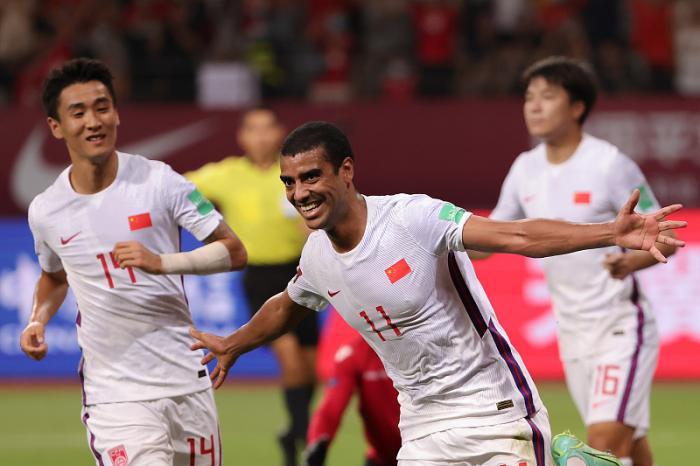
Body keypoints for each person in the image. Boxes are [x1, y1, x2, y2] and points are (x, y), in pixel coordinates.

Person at [189, 121, 685, 466]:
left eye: (311, 177)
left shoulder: (413, 217)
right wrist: (235, 343)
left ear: (346, 171)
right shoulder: (317, 254)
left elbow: (516, 236)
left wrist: (610, 232)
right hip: (422, 428)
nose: (299, 193)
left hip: (497, 412)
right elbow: (289, 303)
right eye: (290, 182)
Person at [19, 58, 247, 466]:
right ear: (56, 127)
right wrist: (36, 320)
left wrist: (163, 263)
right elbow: (54, 277)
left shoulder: (161, 181)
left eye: (102, 107)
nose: (94, 121)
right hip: (115, 393)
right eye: (78, 112)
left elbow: (234, 251)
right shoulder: (47, 210)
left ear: (117, 113)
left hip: (186, 380)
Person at [477, 56, 676, 466]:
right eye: (529, 97)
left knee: (601, 443)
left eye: (547, 96)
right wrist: (443, 241)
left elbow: (666, 237)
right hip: (571, 332)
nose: (534, 106)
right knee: (629, 444)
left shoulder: (609, 164)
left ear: (577, 107)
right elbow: (492, 239)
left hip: (620, 325)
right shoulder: (524, 169)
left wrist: (630, 264)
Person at [185, 108, 317, 466]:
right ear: (242, 137)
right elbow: (178, 189)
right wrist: (208, 224)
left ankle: (292, 433)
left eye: (267, 128)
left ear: (280, 133)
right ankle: (306, 441)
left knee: (310, 367)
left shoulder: (293, 172)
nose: (260, 136)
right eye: (253, 130)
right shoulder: (226, 174)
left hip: (304, 272)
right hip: (260, 277)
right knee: (291, 360)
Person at [303, 335, 401, 466]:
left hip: (423, 453)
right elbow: (331, 407)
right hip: (381, 458)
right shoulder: (352, 354)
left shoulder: (419, 347)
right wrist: (317, 442)